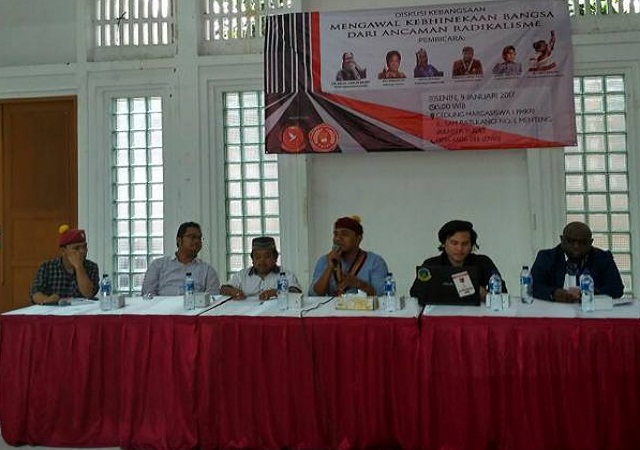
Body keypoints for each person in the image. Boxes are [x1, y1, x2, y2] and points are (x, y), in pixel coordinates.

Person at [409, 220, 506, 301]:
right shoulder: (431, 264)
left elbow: (503, 292)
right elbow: (415, 294)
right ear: (443, 243)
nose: (459, 248)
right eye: (454, 243)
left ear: (472, 245)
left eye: (465, 244)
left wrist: (486, 295)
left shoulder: (483, 262)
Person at [531, 222, 624, 302]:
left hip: (593, 311)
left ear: (591, 242)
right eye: (571, 241)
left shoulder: (603, 258)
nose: (576, 246)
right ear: (562, 239)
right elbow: (533, 286)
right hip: (555, 312)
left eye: (582, 242)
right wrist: (553, 293)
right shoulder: (546, 257)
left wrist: (589, 293)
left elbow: (616, 289)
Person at [310, 216, 388, 296]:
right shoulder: (324, 261)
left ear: (358, 239)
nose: (338, 239)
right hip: (333, 305)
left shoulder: (375, 262)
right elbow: (313, 295)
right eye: (335, 234)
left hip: (362, 304)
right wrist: (329, 268)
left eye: (344, 234)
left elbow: (383, 295)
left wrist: (358, 283)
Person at [141, 221, 220, 296]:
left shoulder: (207, 271)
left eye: (199, 238)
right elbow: (147, 295)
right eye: (192, 237)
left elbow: (213, 299)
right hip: (164, 305)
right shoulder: (158, 265)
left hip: (195, 306)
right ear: (179, 240)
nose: (196, 241)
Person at [30, 225, 100, 305]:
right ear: (63, 251)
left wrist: (79, 267)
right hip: (54, 310)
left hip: (82, 311)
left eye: (84, 246)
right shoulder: (47, 267)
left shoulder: (92, 267)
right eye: (76, 248)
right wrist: (47, 300)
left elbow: (88, 294)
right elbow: (35, 293)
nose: (82, 251)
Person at [220, 236, 301, 300]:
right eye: (257, 257)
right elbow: (223, 289)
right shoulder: (242, 275)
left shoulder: (286, 275)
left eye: (267, 256)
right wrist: (233, 291)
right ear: (252, 259)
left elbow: (296, 291)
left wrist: (276, 292)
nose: (262, 261)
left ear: (275, 257)